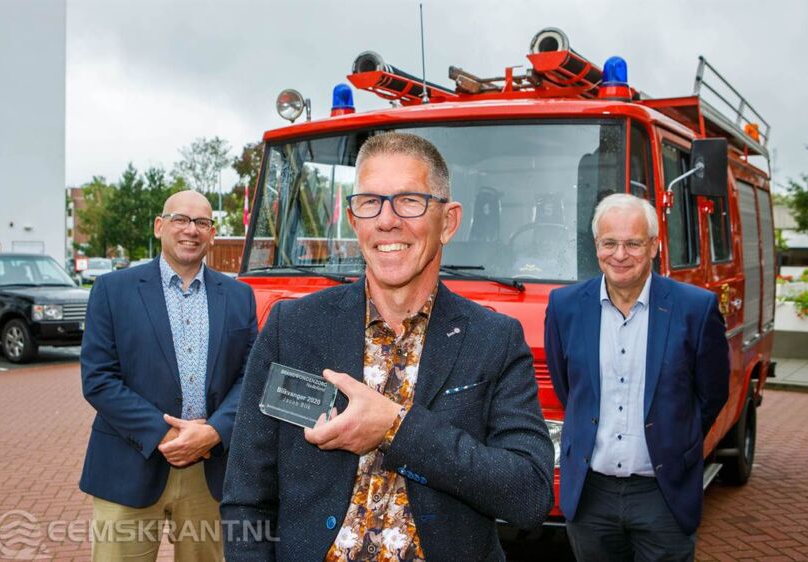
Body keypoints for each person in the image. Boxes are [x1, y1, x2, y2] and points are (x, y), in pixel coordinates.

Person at [221, 132, 555, 561]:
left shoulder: (494, 339)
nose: (387, 220)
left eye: (409, 201)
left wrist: (396, 428)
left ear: (448, 222)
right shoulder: (292, 328)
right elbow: (246, 496)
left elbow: (528, 494)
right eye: (370, 202)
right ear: (353, 218)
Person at [545, 193, 730, 561]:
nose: (620, 254)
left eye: (633, 243)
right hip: (590, 495)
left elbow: (711, 394)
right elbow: (570, 388)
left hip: (662, 494)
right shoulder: (564, 306)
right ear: (596, 245)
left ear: (654, 247)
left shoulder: (696, 308)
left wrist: (677, 439)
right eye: (609, 242)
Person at [80, 190, 258, 560]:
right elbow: (98, 378)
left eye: (202, 223)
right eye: (180, 219)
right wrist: (166, 433)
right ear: (160, 226)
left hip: (208, 469)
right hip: (129, 463)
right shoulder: (113, 290)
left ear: (212, 234)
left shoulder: (239, 296)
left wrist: (211, 432)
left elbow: (250, 375)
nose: (190, 230)